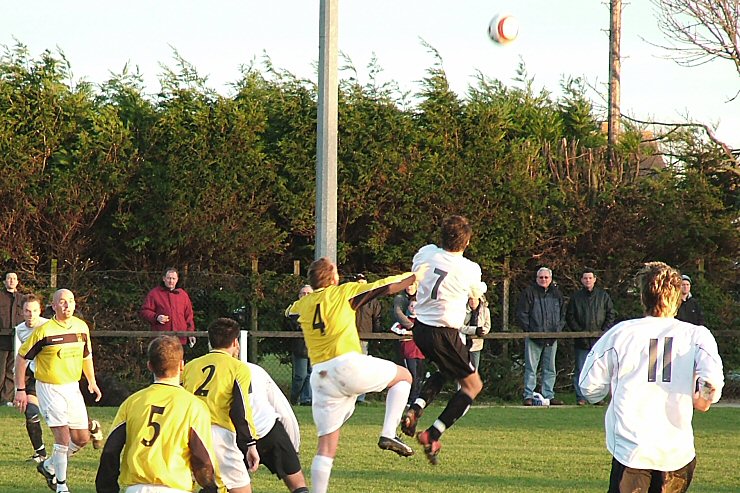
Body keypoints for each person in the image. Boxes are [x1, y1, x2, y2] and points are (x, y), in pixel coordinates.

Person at [579, 261, 724, 493]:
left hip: (631, 450)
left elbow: (589, 387)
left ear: (643, 296)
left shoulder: (620, 333)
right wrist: (703, 399)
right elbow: (712, 382)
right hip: (676, 452)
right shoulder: (696, 335)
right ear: (677, 297)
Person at [287, 257, 415, 493]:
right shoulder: (344, 292)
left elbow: (290, 312)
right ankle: (388, 433)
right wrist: (415, 275)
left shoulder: (302, 305)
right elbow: (384, 286)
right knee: (404, 376)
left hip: (321, 377)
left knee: (326, 446)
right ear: (333, 277)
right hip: (346, 365)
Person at [402, 215, 487, 465]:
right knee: (473, 386)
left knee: (444, 370)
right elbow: (477, 293)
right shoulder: (470, 268)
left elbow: (416, 274)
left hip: (421, 329)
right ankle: (432, 434)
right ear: (467, 241)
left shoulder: (426, 253)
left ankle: (416, 407)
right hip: (445, 333)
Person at [95, 335, 220, 493]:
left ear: (149, 366)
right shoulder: (194, 406)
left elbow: (110, 450)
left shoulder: (133, 402)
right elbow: (202, 457)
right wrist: (209, 487)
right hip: (175, 488)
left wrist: (107, 488)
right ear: (182, 366)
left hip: (136, 488)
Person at [14, 289, 102, 493]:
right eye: (62, 302)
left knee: (81, 439)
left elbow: (86, 356)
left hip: (72, 387)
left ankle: (48, 465)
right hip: (49, 388)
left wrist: (92, 380)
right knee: (62, 439)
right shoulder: (44, 331)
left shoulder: (81, 327)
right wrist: (20, 389)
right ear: (53, 306)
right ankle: (61, 486)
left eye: (70, 301)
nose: (67, 305)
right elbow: (21, 358)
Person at [182, 318, 260, 493]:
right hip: (220, 434)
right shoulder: (239, 368)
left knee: (208, 484)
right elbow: (242, 410)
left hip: (190, 433)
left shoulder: (190, 366)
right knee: (241, 489)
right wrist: (250, 443)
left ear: (210, 341)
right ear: (235, 342)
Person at [246, 361, 308, 493]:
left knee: (226, 484)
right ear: (235, 345)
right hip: (268, 430)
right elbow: (284, 412)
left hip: (235, 435)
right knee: (298, 485)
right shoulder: (254, 370)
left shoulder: (197, 368)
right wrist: (293, 450)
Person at [516, 267, 566, 406]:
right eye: (541, 277)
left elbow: (563, 315)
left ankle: (548, 395)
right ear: (536, 278)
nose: (543, 280)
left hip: (551, 337)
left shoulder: (557, 294)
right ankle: (528, 395)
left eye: (546, 277)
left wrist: (557, 330)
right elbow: (522, 314)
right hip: (534, 337)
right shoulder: (529, 293)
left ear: (550, 279)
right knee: (531, 368)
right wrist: (531, 330)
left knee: (550, 369)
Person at [565, 269, 616, 405]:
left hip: (599, 341)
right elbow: (570, 316)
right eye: (585, 278)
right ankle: (581, 397)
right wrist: (579, 332)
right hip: (581, 341)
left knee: (599, 369)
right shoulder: (576, 298)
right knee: (581, 369)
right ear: (581, 280)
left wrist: (603, 332)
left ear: (595, 279)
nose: (587, 280)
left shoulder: (603, 296)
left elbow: (610, 314)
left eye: (590, 278)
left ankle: (597, 397)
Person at [14, 293, 50, 462]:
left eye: (34, 311)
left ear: (40, 311)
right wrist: (19, 388)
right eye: (27, 311)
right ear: (22, 312)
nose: (31, 315)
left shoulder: (48, 326)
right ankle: (40, 453)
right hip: (35, 376)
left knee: (68, 417)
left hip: (52, 377)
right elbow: (21, 358)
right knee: (31, 413)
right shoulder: (20, 330)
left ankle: (91, 426)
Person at [140, 267, 196, 348]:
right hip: (161, 339)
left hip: (180, 340)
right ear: (164, 279)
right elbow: (144, 311)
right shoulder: (154, 294)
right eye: (169, 278)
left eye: (173, 278)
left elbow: (189, 316)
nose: (171, 281)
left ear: (177, 280)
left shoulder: (183, 295)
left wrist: (190, 333)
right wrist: (156, 317)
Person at [390, 281, 425, 407]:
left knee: (420, 375)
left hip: (420, 350)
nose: (410, 287)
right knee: (411, 374)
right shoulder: (400, 299)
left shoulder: (422, 317)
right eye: (408, 285)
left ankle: (416, 398)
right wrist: (409, 330)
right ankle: (409, 398)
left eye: (412, 285)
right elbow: (396, 324)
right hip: (408, 349)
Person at [352, 273, 383, 404]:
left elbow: (377, 320)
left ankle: (360, 397)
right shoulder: (349, 299)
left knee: (362, 369)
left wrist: (377, 337)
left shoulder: (373, 302)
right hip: (348, 338)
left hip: (364, 338)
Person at [286, 285, 313, 406]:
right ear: (299, 295)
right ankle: (293, 398)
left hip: (314, 347)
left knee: (311, 375)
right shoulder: (294, 308)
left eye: (308, 293)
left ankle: (306, 399)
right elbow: (292, 325)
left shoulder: (318, 307)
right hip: (300, 346)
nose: (306, 296)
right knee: (300, 376)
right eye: (303, 293)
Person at [0, 271, 24, 405]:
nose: (11, 280)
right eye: (9, 278)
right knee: (0, 371)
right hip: (1, 342)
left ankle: (6, 400)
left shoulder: (22, 299)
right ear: (4, 282)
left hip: (16, 342)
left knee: (11, 371)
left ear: (17, 282)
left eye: (14, 278)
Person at [460, 294, 491, 372]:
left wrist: (483, 331)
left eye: (475, 299)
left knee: (474, 370)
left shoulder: (485, 311)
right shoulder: (462, 310)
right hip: (462, 344)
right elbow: (460, 327)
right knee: (461, 369)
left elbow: (487, 325)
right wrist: (475, 330)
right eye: (471, 299)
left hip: (476, 345)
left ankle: (473, 384)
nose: (473, 302)